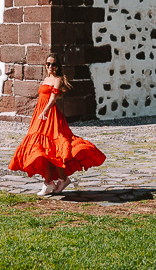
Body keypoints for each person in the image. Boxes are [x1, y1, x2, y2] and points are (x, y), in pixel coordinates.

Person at [8, 52, 105, 196]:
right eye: (48, 64)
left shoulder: (58, 80)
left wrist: (45, 112)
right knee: (41, 148)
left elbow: (53, 98)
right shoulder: (46, 79)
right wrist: (39, 113)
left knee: (53, 149)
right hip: (40, 115)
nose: (50, 66)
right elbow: (42, 97)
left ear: (58, 66)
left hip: (50, 116)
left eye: (53, 64)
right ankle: (53, 181)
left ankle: (56, 181)